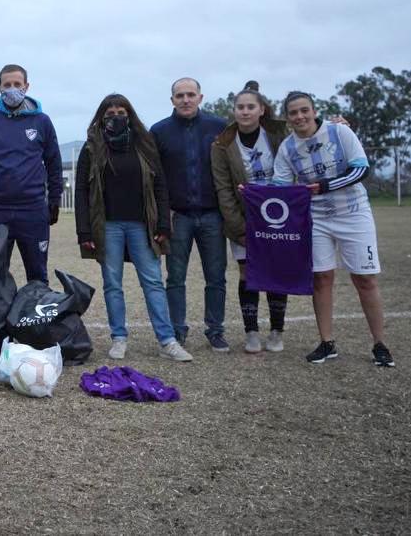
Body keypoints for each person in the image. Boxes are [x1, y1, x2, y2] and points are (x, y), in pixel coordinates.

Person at [273, 91, 395, 367]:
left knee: (365, 279)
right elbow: (280, 187)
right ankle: (327, 343)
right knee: (321, 278)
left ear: (314, 111)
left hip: (354, 213)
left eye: (304, 110)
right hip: (316, 218)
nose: (300, 116)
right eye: (293, 112)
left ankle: (380, 344)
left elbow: (361, 169)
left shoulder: (340, 132)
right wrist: (253, 191)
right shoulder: (287, 148)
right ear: (287, 118)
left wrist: (325, 186)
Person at [74, 94, 193, 362]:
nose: (116, 118)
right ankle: (119, 338)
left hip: (142, 224)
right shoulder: (92, 147)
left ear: (130, 115)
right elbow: (81, 190)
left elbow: (160, 185)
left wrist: (163, 223)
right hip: (108, 226)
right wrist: (84, 231)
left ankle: (167, 340)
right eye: (110, 114)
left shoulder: (145, 144)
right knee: (112, 284)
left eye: (121, 113)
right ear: (101, 117)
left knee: (153, 281)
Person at [150, 77, 230, 352]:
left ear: (200, 97)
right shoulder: (159, 131)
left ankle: (215, 330)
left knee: (216, 276)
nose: (185, 99)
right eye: (180, 95)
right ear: (172, 100)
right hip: (178, 216)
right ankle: (177, 330)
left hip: (212, 215)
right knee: (175, 277)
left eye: (190, 94)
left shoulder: (219, 127)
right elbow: (154, 176)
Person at [211, 81, 290, 353]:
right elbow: (223, 189)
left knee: (275, 270)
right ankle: (251, 332)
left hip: (278, 217)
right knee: (248, 271)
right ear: (234, 111)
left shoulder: (278, 135)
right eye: (240, 107)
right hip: (244, 218)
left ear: (261, 110)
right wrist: (238, 227)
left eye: (250, 107)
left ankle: (277, 331)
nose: (245, 111)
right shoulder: (222, 144)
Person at [0, 64, 63, 283]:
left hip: (33, 210)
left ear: (26, 87)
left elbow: (54, 164)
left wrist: (55, 200)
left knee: (38, 276)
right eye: (7, 84)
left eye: (17, 84)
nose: (12, 89)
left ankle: (37, 307)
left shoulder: (42, 121)